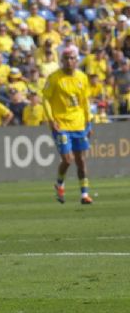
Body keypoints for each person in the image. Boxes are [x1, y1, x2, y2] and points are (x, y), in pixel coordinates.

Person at [44, 47, 93, 205]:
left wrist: (89, 121)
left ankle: (84, 194)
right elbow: (45, 99)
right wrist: (51, 120)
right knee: (68, 159)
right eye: (66, 58)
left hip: (79, 124)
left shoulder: (82, 78)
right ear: (61, 60)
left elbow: (85, 102)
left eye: (72, 58)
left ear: (76, 60)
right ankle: (59, 184)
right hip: (61, 124)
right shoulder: (54, 78)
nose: (69, 61)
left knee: (81, 160)